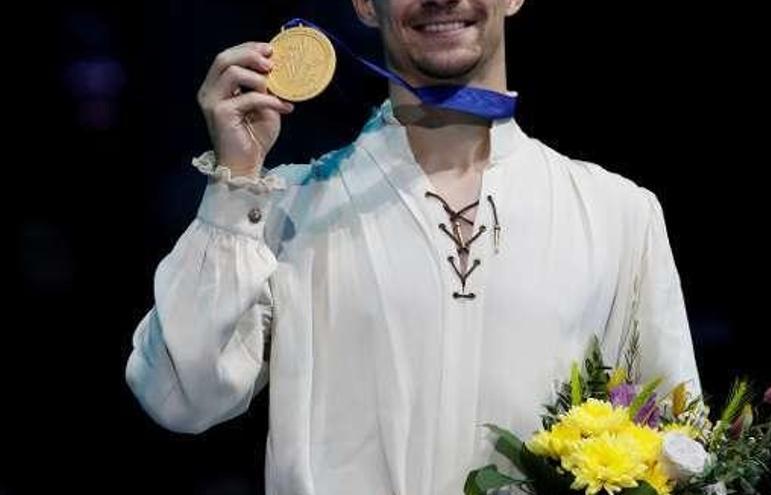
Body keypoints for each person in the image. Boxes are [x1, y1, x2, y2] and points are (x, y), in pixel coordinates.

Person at [125, 1, 702, 493]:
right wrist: (235, 186)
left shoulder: (618, 212)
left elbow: (686, 454)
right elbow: (179, 397)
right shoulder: (284, 210)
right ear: (363, 2)